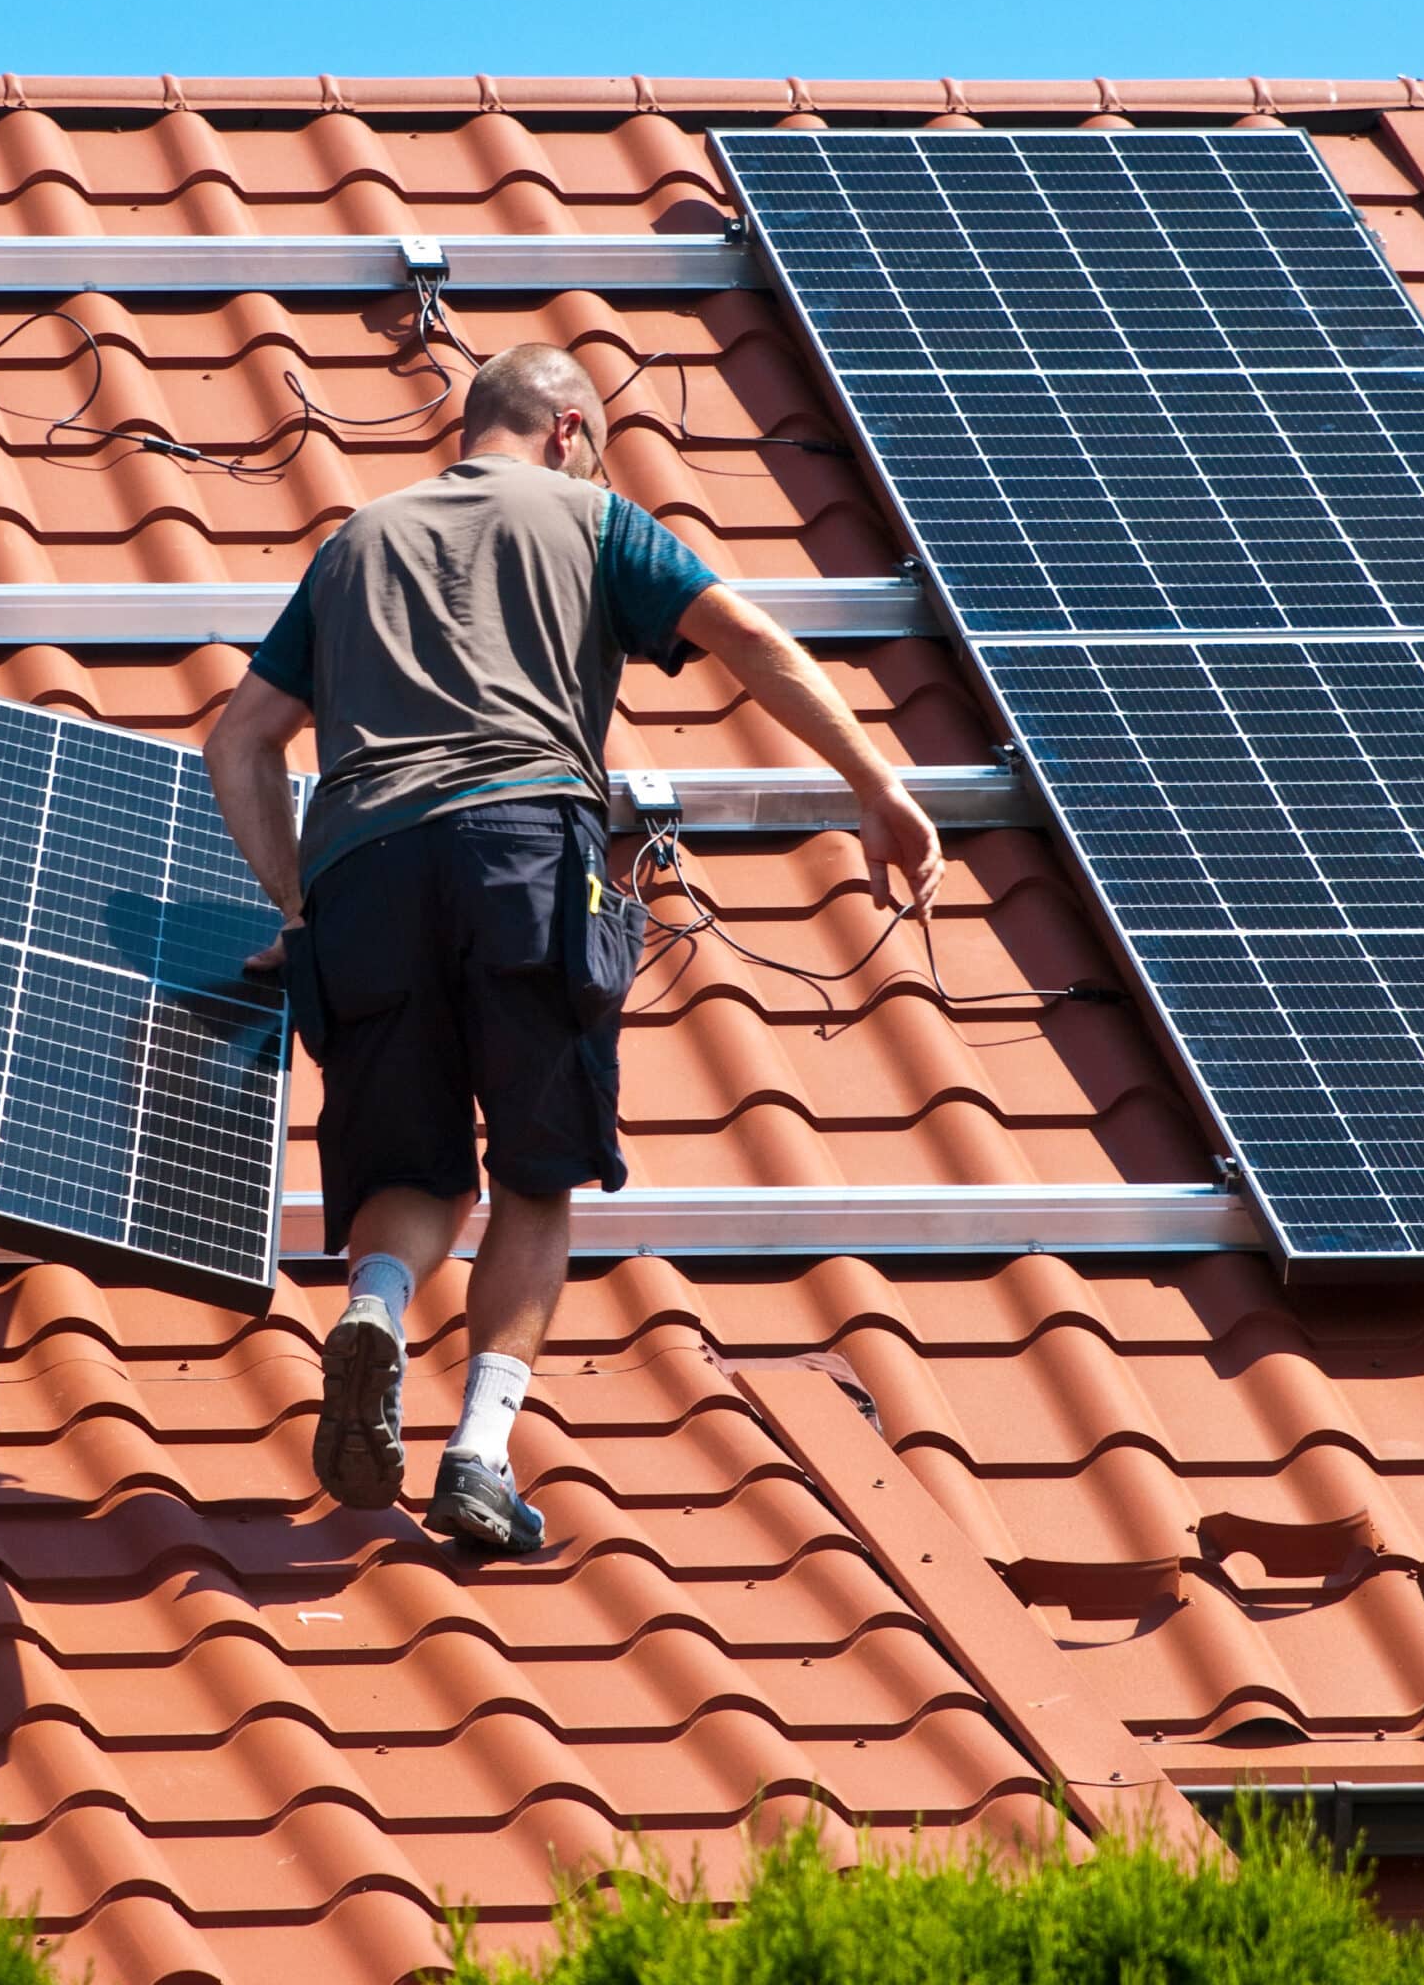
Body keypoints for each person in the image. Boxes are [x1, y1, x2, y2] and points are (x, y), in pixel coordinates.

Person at [203, 342, 943, 1557]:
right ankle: (481, 1457)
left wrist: (298, 913)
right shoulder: (595, 516)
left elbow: (240, 745)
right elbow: (746, 636)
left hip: (364, 872)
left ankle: (379, 1309)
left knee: (415, 1169)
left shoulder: (352, 546)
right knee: (536, 1174)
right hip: (522, 852)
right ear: (563, 429)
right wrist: (874, 782)